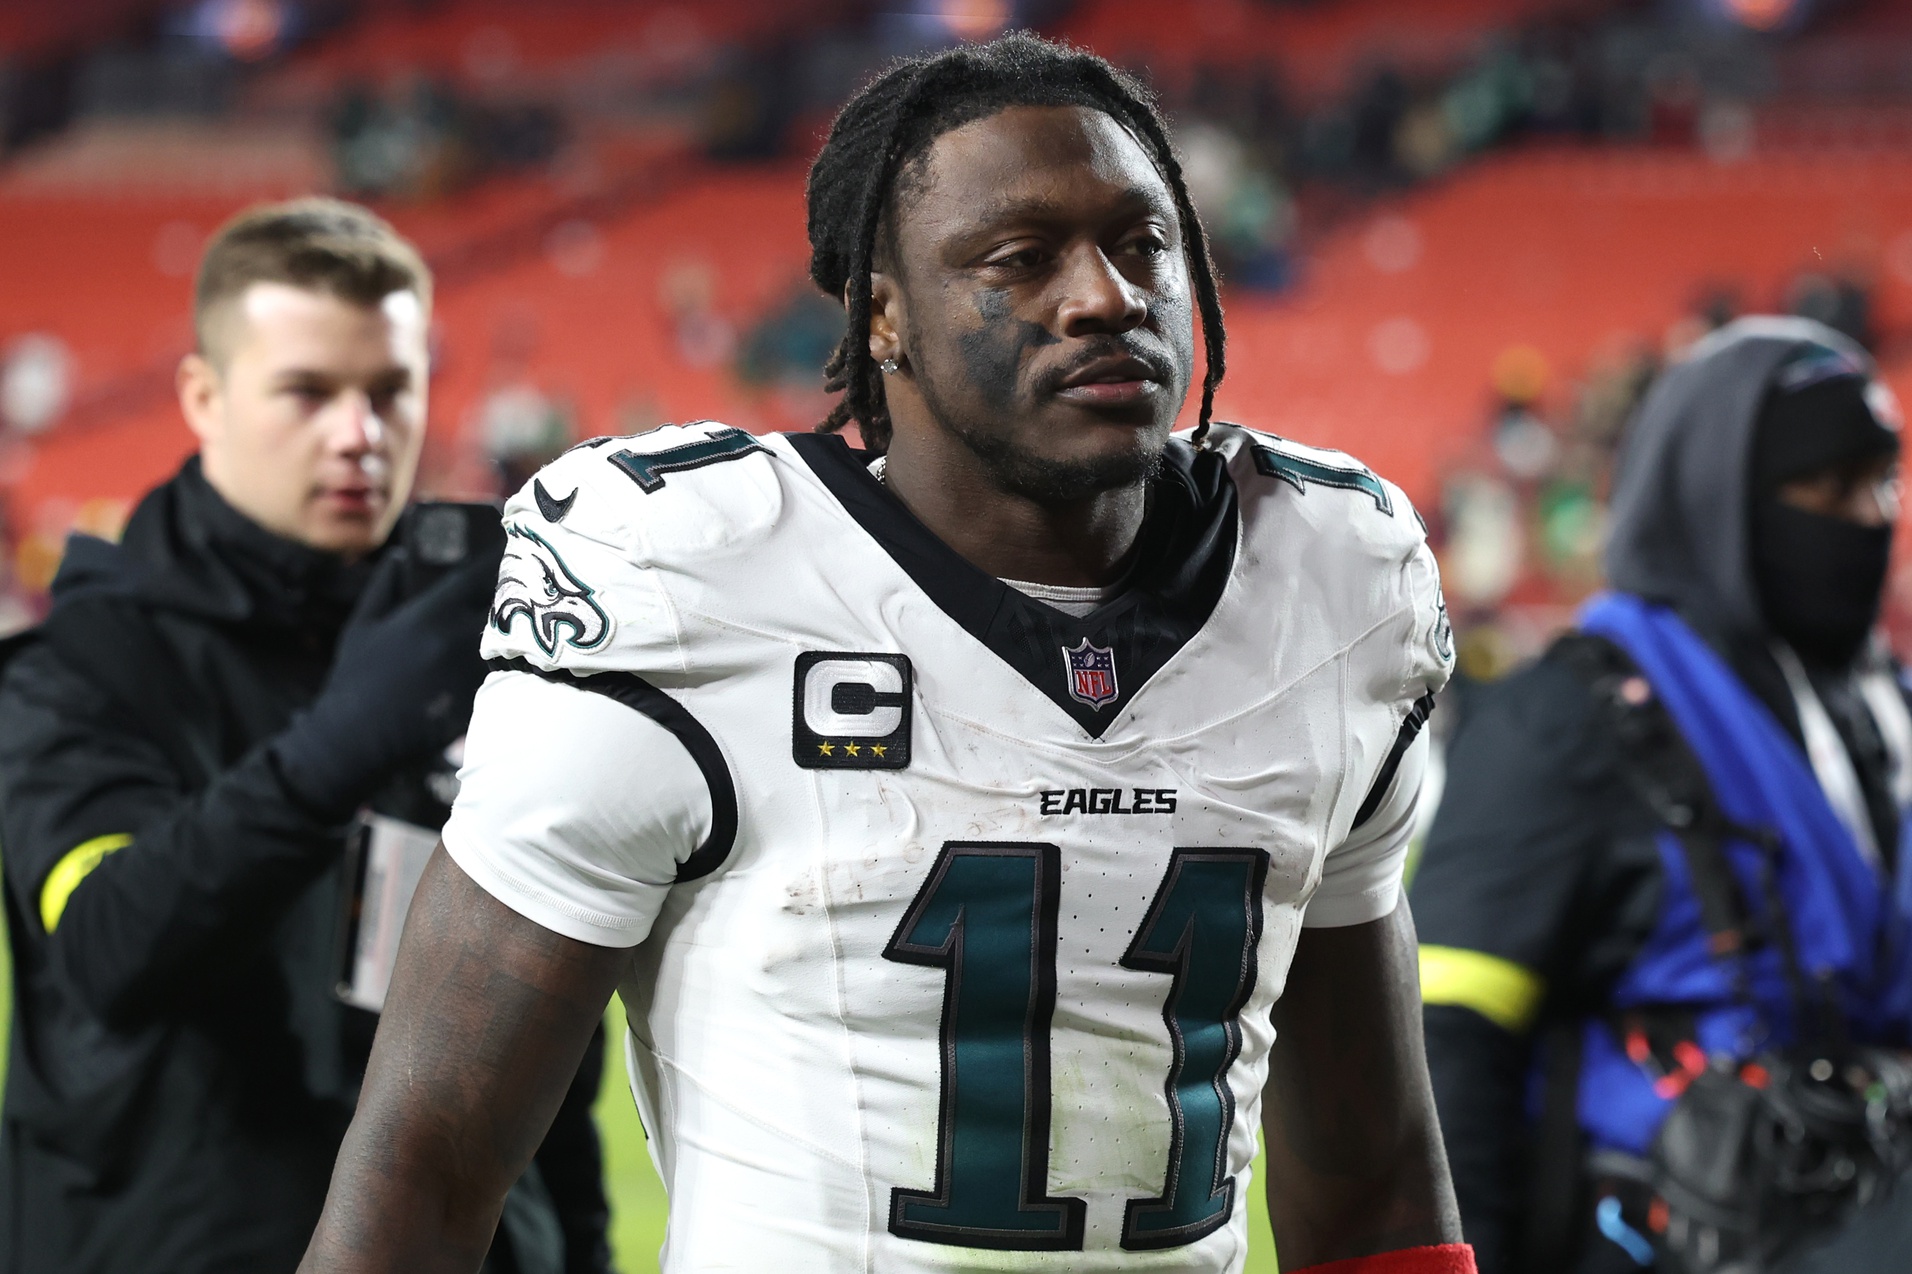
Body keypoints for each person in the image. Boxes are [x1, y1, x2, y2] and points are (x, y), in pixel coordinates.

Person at [302, 35, 1470, 1274]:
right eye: (1020, 258)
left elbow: (1377, 1182)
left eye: (1142, 244)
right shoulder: (688, 577)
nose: (1104, 296)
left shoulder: (1327, 575)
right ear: (883, 316)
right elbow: (427, 1167)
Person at [0, 199, 609, 1273]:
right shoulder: (80, 668)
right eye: (309, 392)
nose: (359, 434)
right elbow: (108, 949)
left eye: (390, 390)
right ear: (204, 396)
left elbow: (545, 1034)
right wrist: (338, 749)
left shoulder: (495, 654)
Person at [1412, 316, 1912, 1274]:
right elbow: (1445, 1048)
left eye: (1884, 482)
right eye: (1829, 488)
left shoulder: (1884, 714)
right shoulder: (1574, 717)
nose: (1872, 517)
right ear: (1718, 498)